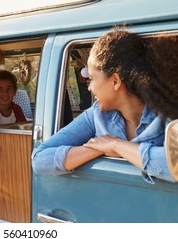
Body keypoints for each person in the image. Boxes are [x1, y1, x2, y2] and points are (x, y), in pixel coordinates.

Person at [32, 28, 177, 183]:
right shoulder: (96, 114)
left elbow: (174, 165)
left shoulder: (166, 112)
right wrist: (98, 148)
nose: (89, 87)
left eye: (93, 79)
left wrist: (116, 145)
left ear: (115, 81)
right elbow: (40, 160)